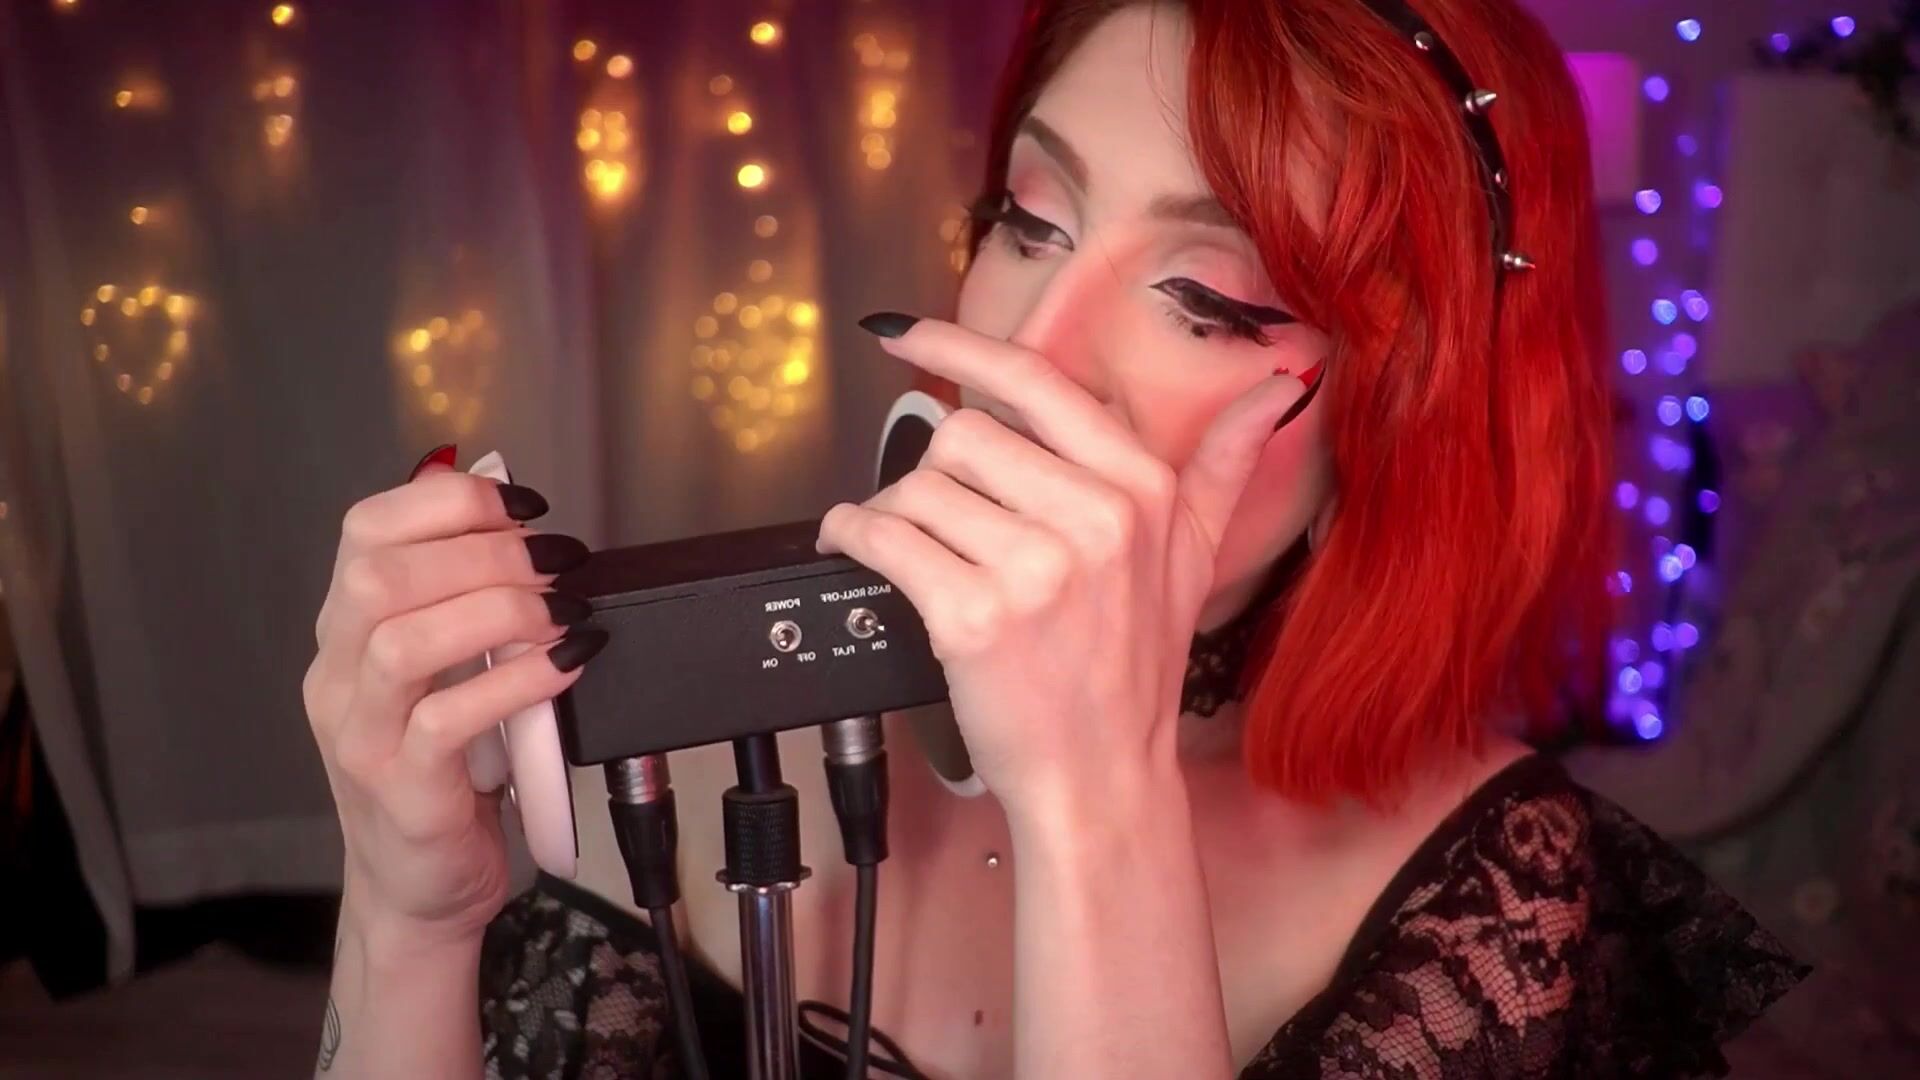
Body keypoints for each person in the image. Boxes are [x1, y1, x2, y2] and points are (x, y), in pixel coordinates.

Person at [302, 1, 1808, 1076]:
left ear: (1400, 413)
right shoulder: (695, 739)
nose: (1036, 348)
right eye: (1030, 221)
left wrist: (1098, 810)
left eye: (1210, 300)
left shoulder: (1498, 908)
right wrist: (408, 915)